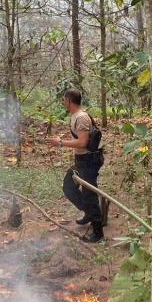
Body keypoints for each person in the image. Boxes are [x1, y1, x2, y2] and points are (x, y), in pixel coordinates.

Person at [49, 88, 104, 243]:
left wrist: (60, 143)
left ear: (69, 101)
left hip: (88, 161)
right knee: (69, 186)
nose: (63, 102)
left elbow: (82, 142)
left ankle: (98, 232)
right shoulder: (76, 116)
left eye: (64, 100)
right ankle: (88, 212)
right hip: (81, 161)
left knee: (89, 194)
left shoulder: (81, 118)